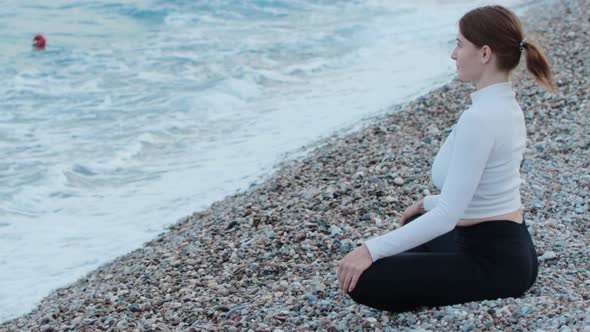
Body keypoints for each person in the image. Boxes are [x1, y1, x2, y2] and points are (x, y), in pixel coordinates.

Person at [336, 5, 555, 312]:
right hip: (513, 249)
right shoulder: (506, 106)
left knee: (365, 278)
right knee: (415, 220)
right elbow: (487, 193)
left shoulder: (480, 119)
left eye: (460, 44)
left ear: (485, 53)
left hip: (496, 263)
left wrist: (368, 250)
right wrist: (426, 203)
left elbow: (447, 216)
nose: (454, 54)